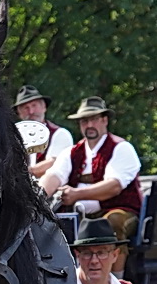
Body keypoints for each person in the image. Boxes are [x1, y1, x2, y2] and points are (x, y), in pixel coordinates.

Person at [40, 97, 142, 245]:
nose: (89, 125)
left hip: (118, 210)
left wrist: (76, 194)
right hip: (79, 216)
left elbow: (114, 186)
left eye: (94, 120)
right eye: (84, 121)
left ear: (105, 120)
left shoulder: (121, 148)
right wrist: (39, 196)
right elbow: (53, 175)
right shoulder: (71, 152)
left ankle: (117, 261)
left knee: (112, 223)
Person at [13, 86, 73, 179]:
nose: (31, 112)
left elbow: (55, 163)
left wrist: (23, 172)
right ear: (19, 113)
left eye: (34, 105)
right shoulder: (14, 138)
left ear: (44, 107)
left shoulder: (60, 134)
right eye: (25, 108)